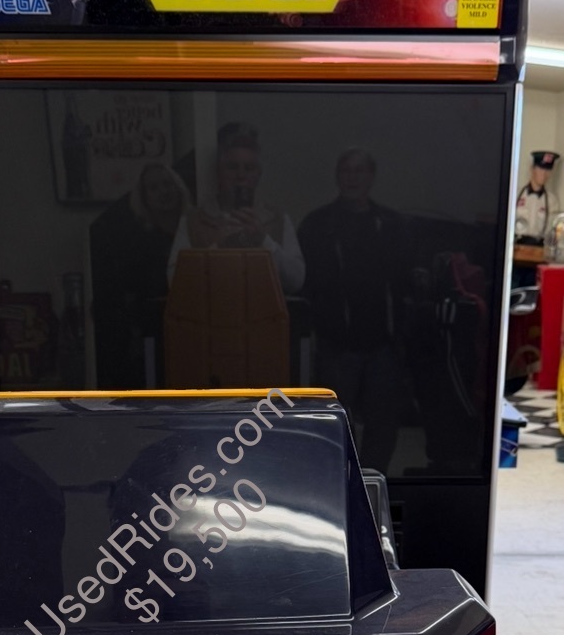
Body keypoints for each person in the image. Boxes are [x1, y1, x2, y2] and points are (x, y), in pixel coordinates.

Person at [298, 149, 402, 473]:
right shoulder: (317, 224)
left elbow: (401, 282)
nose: (352, 177)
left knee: (383, 423)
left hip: (383, 343)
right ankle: (343, 484)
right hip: (336, 343)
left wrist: (400, 335)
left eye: (359, 171)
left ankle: (372, 483)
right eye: (346, 170)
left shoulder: (390, 224)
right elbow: (306, 283)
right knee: (335, 422)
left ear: (371, 177)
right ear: (337, 176)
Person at [167, 122, 305, 295]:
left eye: (249, 168)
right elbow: (175, 282)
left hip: (263, 310)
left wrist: (263, 240)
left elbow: (297, 280)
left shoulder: (278, 219)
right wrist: (218, 247)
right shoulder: (193, 221)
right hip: (211, 311)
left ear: (258, 175)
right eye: (232, 167)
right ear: (219, 173)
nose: (241, 176)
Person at [90, 162, 189, 387]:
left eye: (167, 184)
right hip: (152, 333)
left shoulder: (194, 231)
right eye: (153, 187)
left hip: (191, 328)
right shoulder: (136, 241)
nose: (163, 191)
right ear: (144, 197)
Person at [515, 150, 560, 248]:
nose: (544, 174)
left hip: (539, 248)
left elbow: (553, 231)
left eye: (548, 170)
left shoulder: (552, 201)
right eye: (540, 169)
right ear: (532, 169)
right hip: (516, 246)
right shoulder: (516, 195)